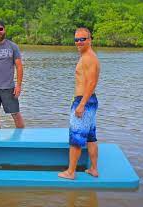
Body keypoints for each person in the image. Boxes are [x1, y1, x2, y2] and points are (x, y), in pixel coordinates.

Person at [58, 27, 100, 179]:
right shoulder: (88, 56)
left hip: (84, 101)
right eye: (76, 40)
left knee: (76, 138)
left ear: (90, 40)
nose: (79, 42)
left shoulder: (88, 57)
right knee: (90, 137)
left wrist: (81, 104)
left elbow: (92, 82)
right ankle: (94, 169)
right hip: (90, 101)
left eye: (83, 39)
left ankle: (71, 172)